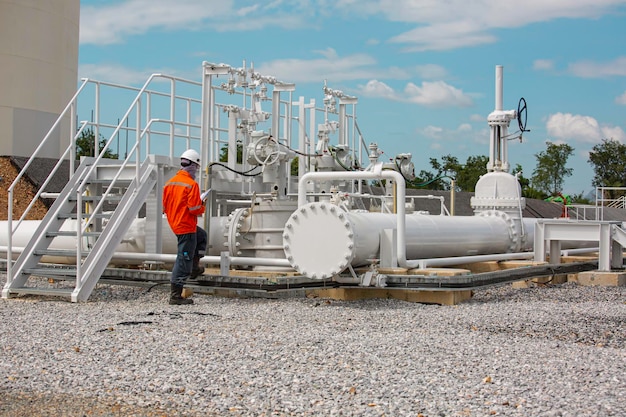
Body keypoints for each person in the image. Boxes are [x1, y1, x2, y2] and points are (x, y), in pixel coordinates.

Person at [162, 149, 208, 305]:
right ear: (194, 165)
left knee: (201, 236)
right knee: (183, 258)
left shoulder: (169, 183)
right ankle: (175, 295)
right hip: (185, 226)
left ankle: (194, 267)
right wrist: (202, 205)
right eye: (196, 167)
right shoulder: (191, 184)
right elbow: (194, 209)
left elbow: (165, 206)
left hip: (175, 223)